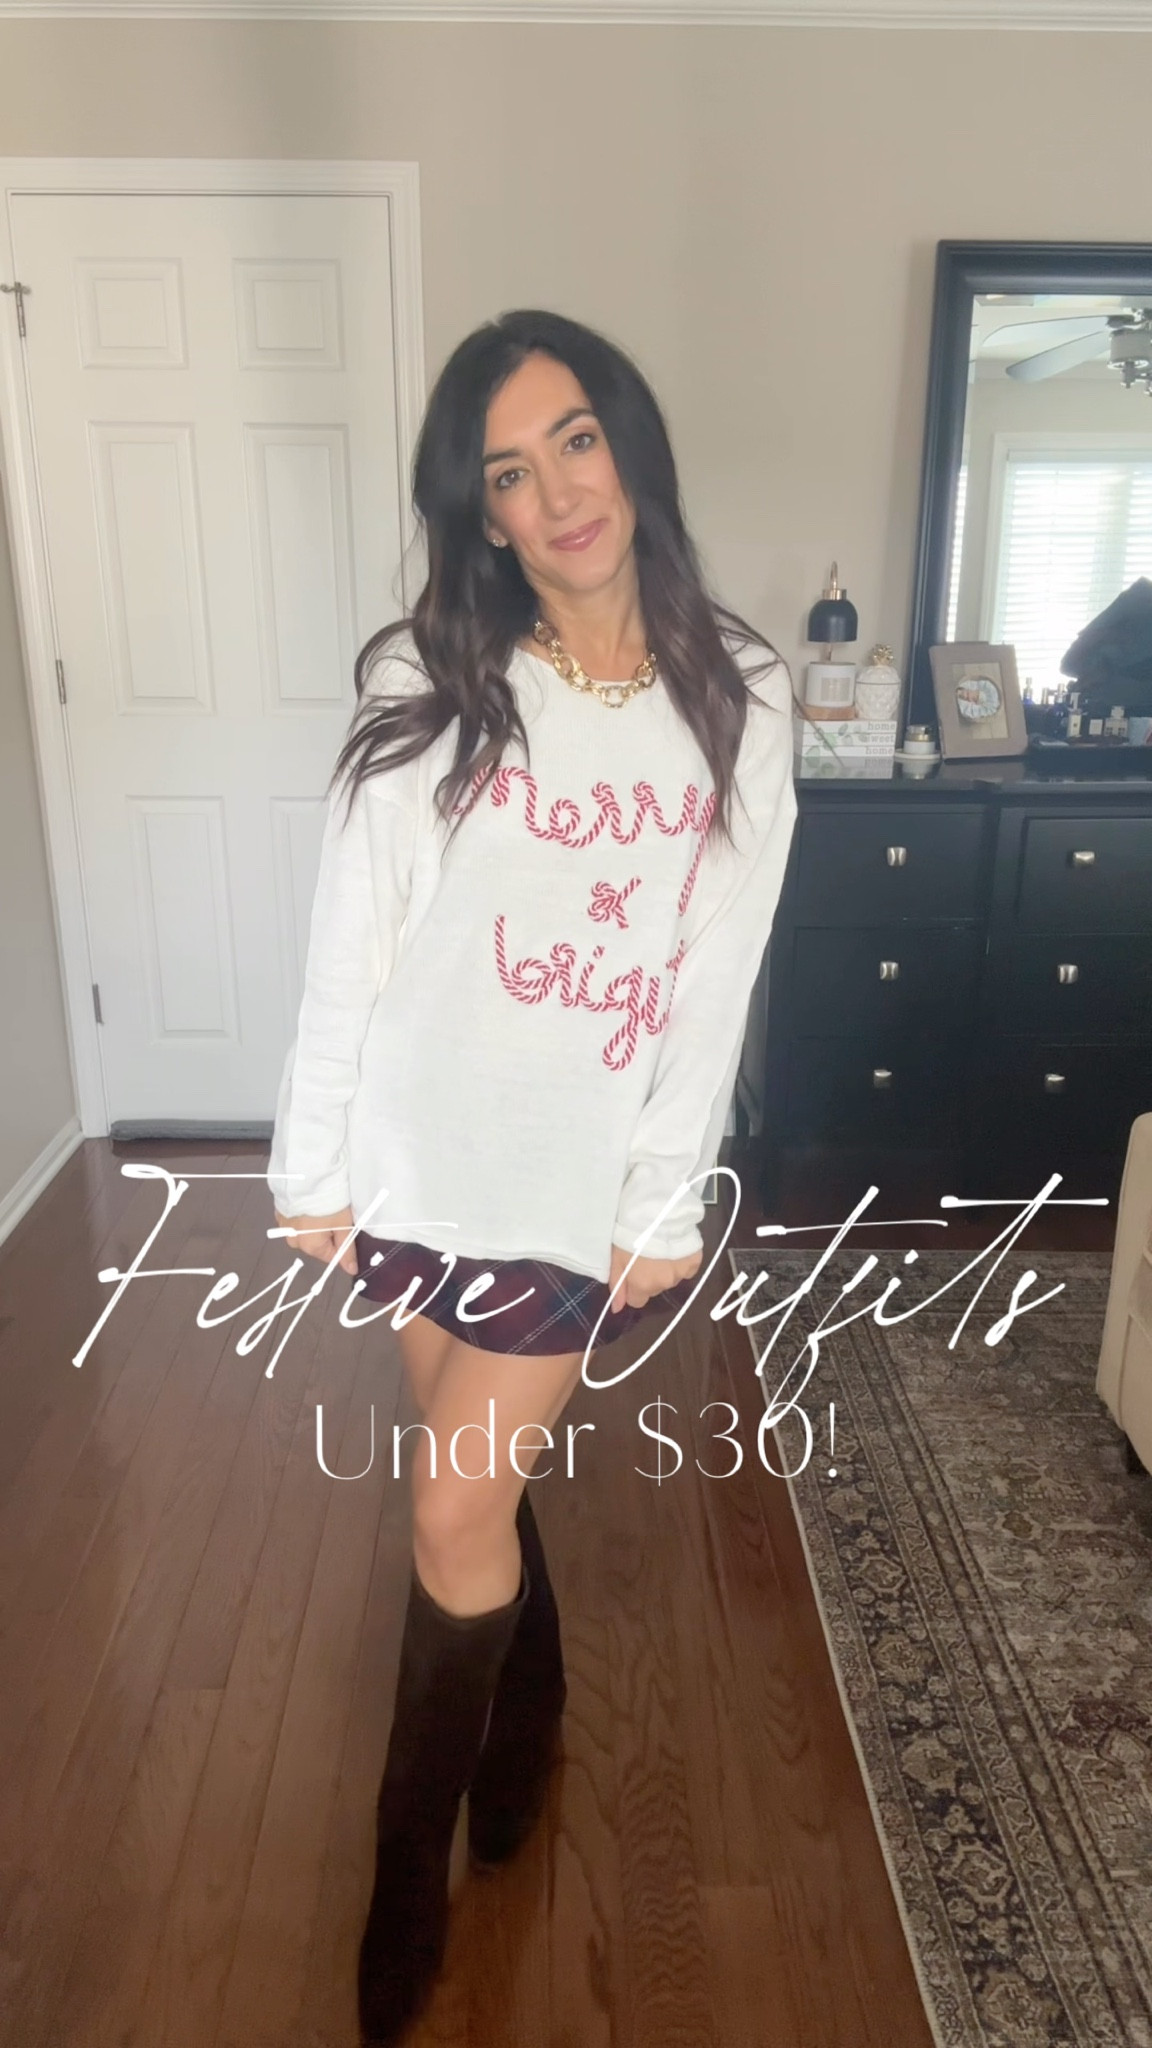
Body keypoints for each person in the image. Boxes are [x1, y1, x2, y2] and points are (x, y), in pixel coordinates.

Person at [267, 308, 798, 2046]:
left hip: (574, 1187)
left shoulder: (739, 693)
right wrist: (314, 1156)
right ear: (481, 515)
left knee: (446, 1509)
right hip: (418, 1156)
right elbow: (357, 943)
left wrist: (664, 1197)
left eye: (576, 438)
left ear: (627, 442)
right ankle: (536, 1707)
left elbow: (715, 973)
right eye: (509, 471)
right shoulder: (430, 683)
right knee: (472, 1482)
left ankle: (403, 1877)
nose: (559, 491)